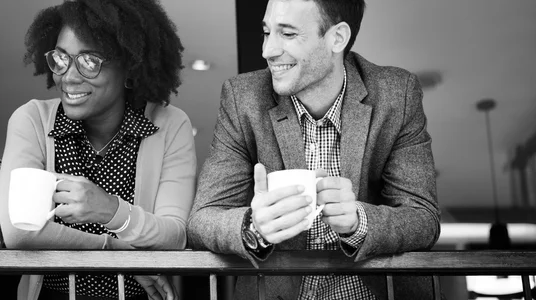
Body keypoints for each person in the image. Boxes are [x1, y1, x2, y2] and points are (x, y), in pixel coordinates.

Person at [187, 0, 440, 298]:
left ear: (337, 38)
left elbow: (423, 219)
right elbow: (201, 221)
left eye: (288, 34)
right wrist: (254, 227)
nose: (267, 50)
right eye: (267, 32)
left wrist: (359, 221)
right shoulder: (242, 98)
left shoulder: (397, 94)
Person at [0, 0, 196, 299]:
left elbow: (174, 235)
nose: (68, 76)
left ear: (130, 64)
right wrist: (116, 250)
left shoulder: (169, 125)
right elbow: (18, 231)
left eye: (89, 61)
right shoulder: (33, 121)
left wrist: (111, 211)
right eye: (61, 58)